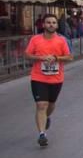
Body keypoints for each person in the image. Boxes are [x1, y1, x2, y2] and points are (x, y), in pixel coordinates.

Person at [25, 14, 73, 147]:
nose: (51, 24)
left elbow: (69, 57)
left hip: (56, 78)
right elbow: (27, 54)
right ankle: (42, 134)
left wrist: (56, 58)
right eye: (48, 22)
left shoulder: (62, 41)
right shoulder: (35, 39)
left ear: (57, 25)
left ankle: (46, 118)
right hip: (38, 77)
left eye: (53, 22)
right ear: (43, 25)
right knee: (41, 105)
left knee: (50, 105)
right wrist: (41, 58)